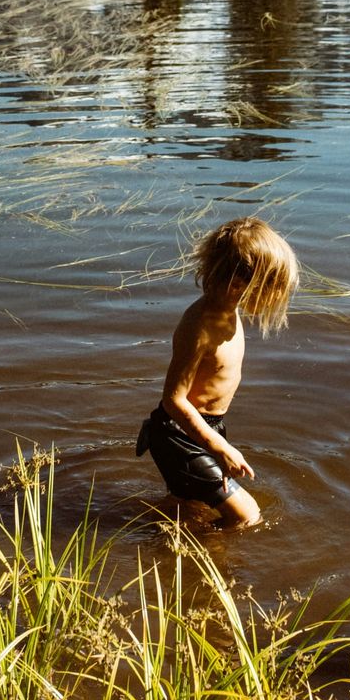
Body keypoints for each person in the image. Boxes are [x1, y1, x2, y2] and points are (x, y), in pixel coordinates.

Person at [137, 217, 299, 526]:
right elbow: (174, 400)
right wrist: (220, 447)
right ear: (237, 284)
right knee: (248, 516)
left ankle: (167, 547)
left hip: (206, 429)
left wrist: (216, 438)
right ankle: (209, 561)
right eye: (267, 288)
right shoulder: (199, 326)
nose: (270, 298)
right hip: (177, 434)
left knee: (188, 510)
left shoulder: (227, 310)